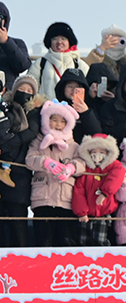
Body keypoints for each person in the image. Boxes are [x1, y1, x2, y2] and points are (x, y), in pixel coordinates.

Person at [25, 100, 85, 246]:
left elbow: (82, 164)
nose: (58, 124)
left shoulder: (74, 145)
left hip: (65, 201)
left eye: (62, 121)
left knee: (65, 242)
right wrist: (45, 162)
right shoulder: (38, 141)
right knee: (43, 241)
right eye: (54, 120)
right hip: (42, 200)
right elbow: (29, 160)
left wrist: (71, 168)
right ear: (47, 120)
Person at [0, 74, 37, 247]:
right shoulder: (5, 109)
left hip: (21, 173)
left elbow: (30, 134)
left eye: (29, 90)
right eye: (21, 89)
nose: (25, 92)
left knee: (18, 224)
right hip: (3, 168)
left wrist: (6, 146)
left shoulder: (36, 112)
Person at [72, 134, 126, 247]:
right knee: (82, 242)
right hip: (86, 215)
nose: (98, 155)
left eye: (102, 151)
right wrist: (81, 212)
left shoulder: (113, 166)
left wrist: (105, 193)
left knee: (100, 241)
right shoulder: (86, 170)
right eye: (94, 151)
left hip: (104, 213)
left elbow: (118, 173)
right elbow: (78, 192)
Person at [29, 22, 90, 100]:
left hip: (73, 110)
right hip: (46, 110)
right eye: (55, 39)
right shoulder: (40, 64)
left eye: (63, 38)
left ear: (69, 42)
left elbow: (89, 90)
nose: (59, 42)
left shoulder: (79, 65)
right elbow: (29, 88)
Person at [0, 2, 31, 82]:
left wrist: (6, 42)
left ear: (5, 21)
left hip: (7, 93)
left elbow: (23, 65)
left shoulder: (17, 43)